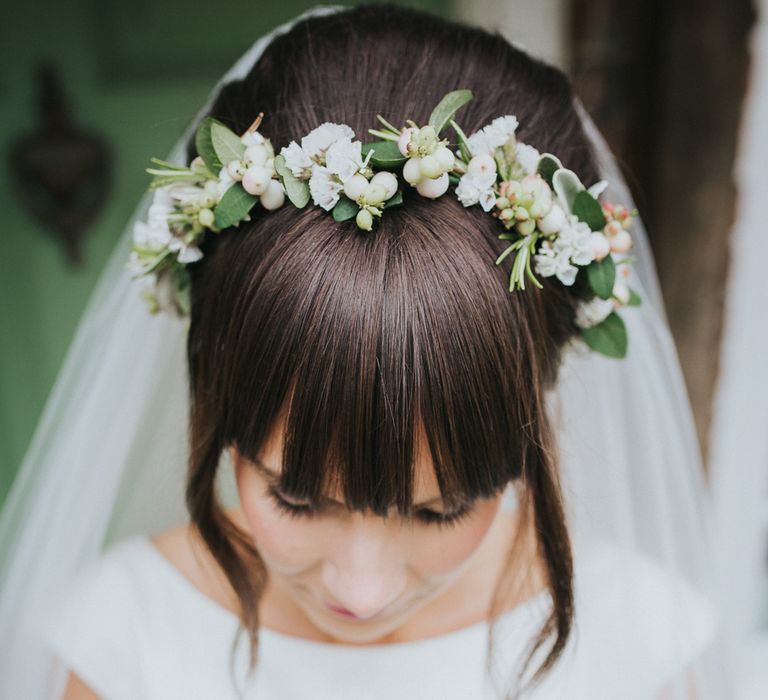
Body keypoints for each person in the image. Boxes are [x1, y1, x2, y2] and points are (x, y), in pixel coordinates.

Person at [0, 4, 732, 699]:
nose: (361, 590)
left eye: (441, 511)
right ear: (215, 395)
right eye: (296, 497)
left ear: (531, 409)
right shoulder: (121, 638)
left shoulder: (645, 642)